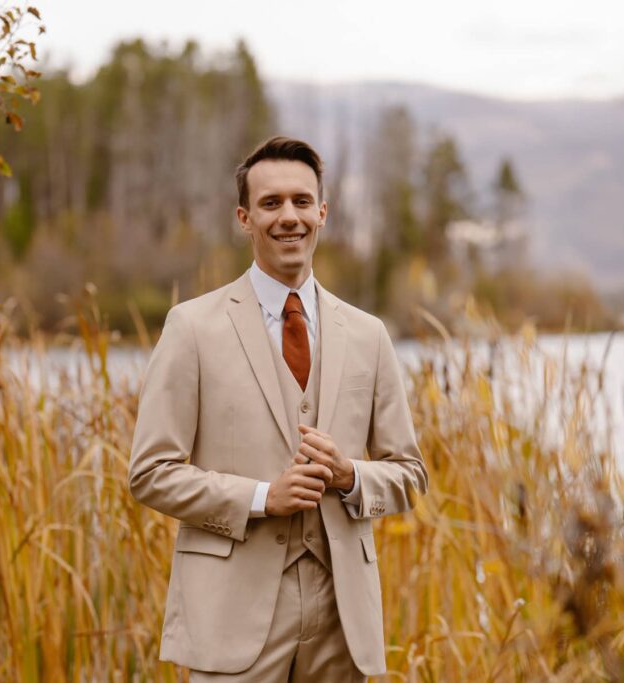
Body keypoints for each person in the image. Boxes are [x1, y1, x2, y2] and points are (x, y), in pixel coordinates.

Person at [128, 136, 429, 681]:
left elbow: (411, 474)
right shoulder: (192, 327)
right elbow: (150, 474)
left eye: (300, 201)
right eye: (271, 204)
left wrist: (350, 476)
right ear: (244, 218)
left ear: (323, 212)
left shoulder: (368, 334)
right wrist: (265, 497)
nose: (288, 217)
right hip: (231, 617)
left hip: (343, 617)